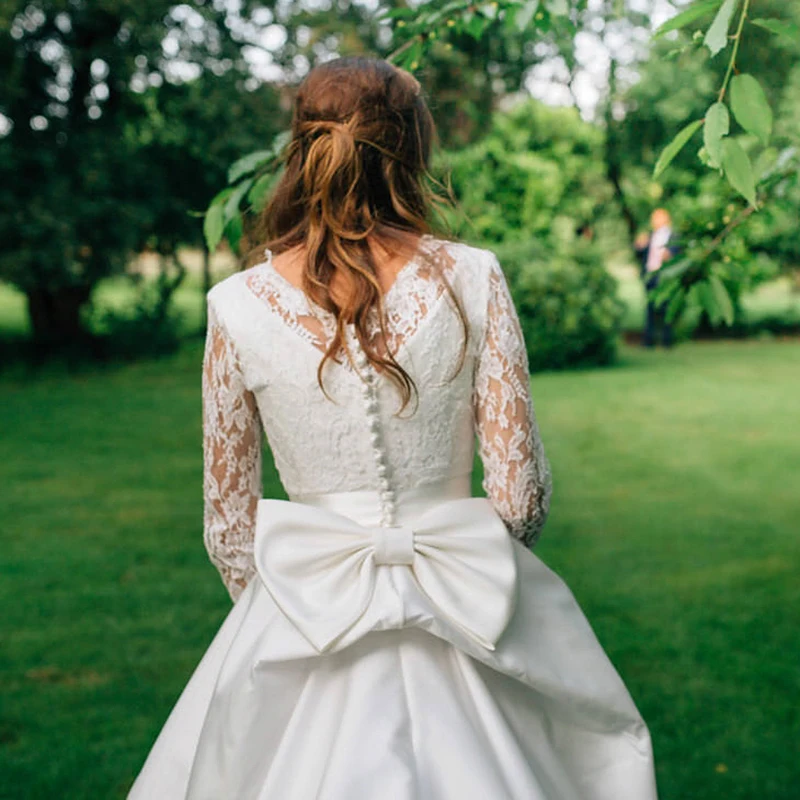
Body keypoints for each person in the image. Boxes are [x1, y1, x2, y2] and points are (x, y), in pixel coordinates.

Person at [127, 56, 658, 799]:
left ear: (300, 147)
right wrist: (470, 577)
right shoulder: (475, 276)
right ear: (415, 151)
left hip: (298, 618)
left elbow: (228, 527)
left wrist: (304, 604)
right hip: (464, 604)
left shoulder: (235, 304)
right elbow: (520, 495)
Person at [635, 208, 678, 348]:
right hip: (650, 274)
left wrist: (669, 255)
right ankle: (648, 341)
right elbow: (640, 252)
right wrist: (639, 245)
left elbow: (677, 254)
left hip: (664, 276)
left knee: (665, 308)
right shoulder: (650, 236)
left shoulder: (673, 236)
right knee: (650, 308)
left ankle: (667, 340)